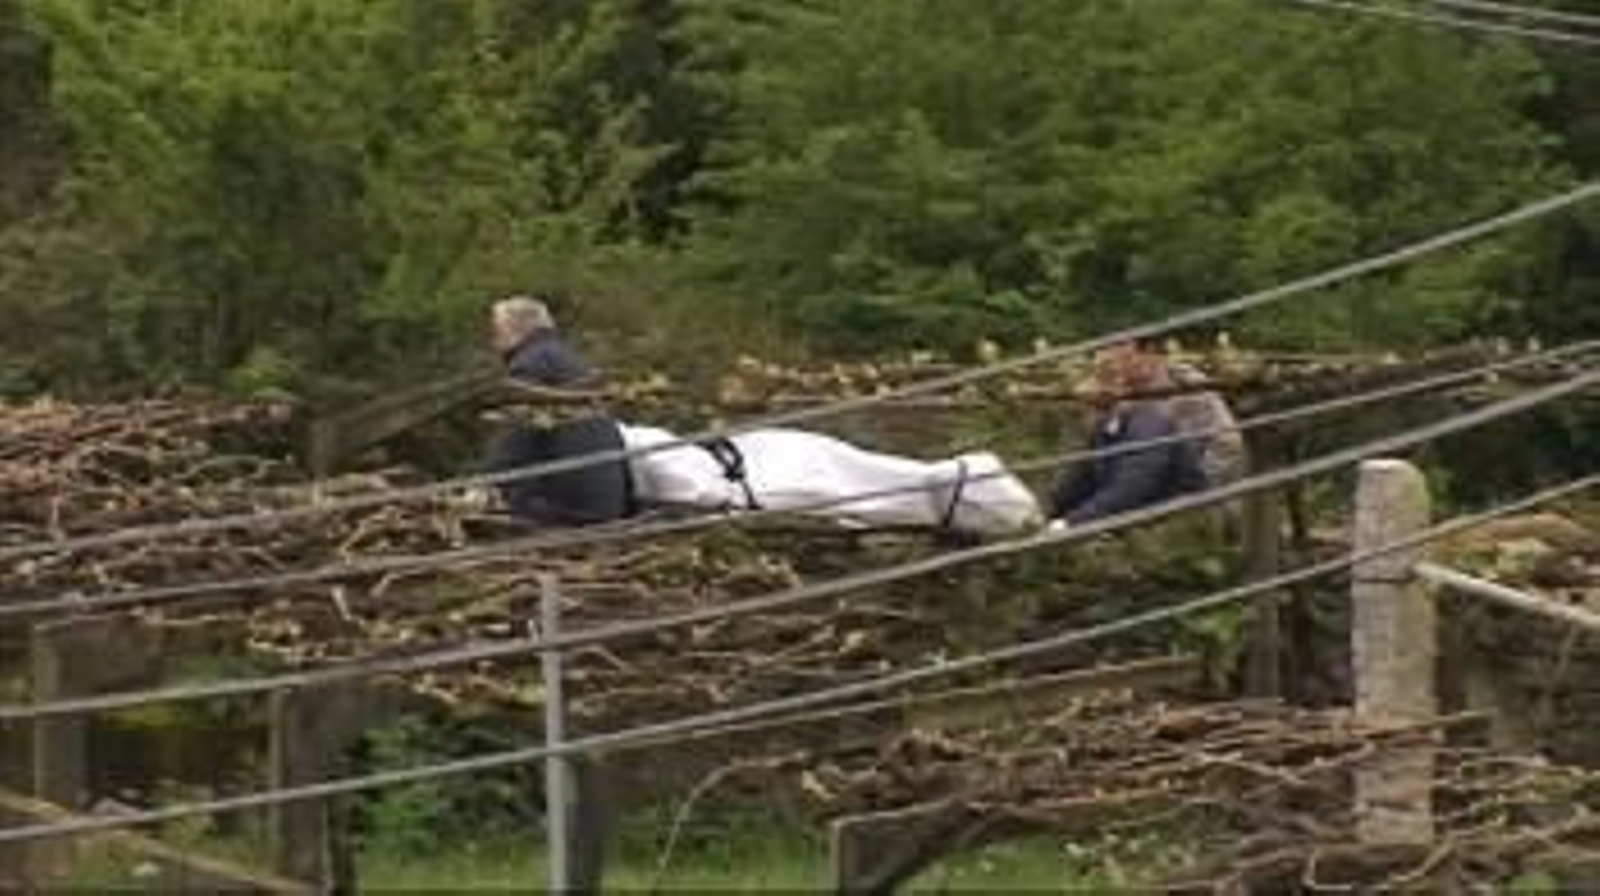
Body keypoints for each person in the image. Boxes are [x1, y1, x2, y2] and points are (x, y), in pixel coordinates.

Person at [483, 295, 634, 525]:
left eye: (496, 331)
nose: (493, 341)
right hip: (607, 505)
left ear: (516, 330)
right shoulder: (570, 360)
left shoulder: (530, 365)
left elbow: (514, 447)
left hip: (567, 509)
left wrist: (488, 487)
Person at [1047, 341, 1207, 528]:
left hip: (1180, 524)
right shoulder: (1105, 427)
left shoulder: (1150, 424)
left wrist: (1069, 523)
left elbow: (1130, 488)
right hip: (1141, 517)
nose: (1085, 389)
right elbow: (1077, 481)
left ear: (1118, 387)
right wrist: (1045, 514)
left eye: (1100, 378)